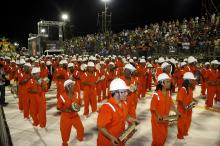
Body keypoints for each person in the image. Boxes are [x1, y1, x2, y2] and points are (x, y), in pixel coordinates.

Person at [97, 78, 137, 146]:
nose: (126, 93)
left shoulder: (124, 103)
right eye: (124, 91)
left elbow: (125, 116)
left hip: (119, 139)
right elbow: (101, 127)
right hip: (107, 142)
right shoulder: (107, 107)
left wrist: (132, 121)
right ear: (116, 93)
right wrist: (111, 138)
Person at [150, 73, 180, 146]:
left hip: (165, 119)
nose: (170, 83)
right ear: (162, 83)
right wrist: (158, 115)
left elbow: (171, 103)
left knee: (164, 137)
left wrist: (176, 111)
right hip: (157, 121)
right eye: (167, 81)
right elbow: (153, 108)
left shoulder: (168, 93)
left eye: (169, 81)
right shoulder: (156, 95)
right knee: (157, 139)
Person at [57, 79, 84, 146]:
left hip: (75, 116)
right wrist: (67, 110)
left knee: (81, 128)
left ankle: (80, 138)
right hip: (66, 117)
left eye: (73, 85)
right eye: (72, 85)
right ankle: (65, 143)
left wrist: (78, 107)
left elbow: (80, 103)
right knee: (65, 132)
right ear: (67, 87)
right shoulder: (62, 96)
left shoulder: (77, 94)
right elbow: (58, 107)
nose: (73, 86)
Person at [177, 72, 197, 142]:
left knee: (188, 121)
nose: (193, 81)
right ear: (187, 80)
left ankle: (185, 132)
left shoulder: (189, 88)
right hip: (182, 109)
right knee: (181, 122)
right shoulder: (183, 89)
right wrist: (185, 106)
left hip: (188, 108)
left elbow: (189, 97)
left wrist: (194, 100)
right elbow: (180, 99)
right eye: (192, 80)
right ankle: (180, 135)